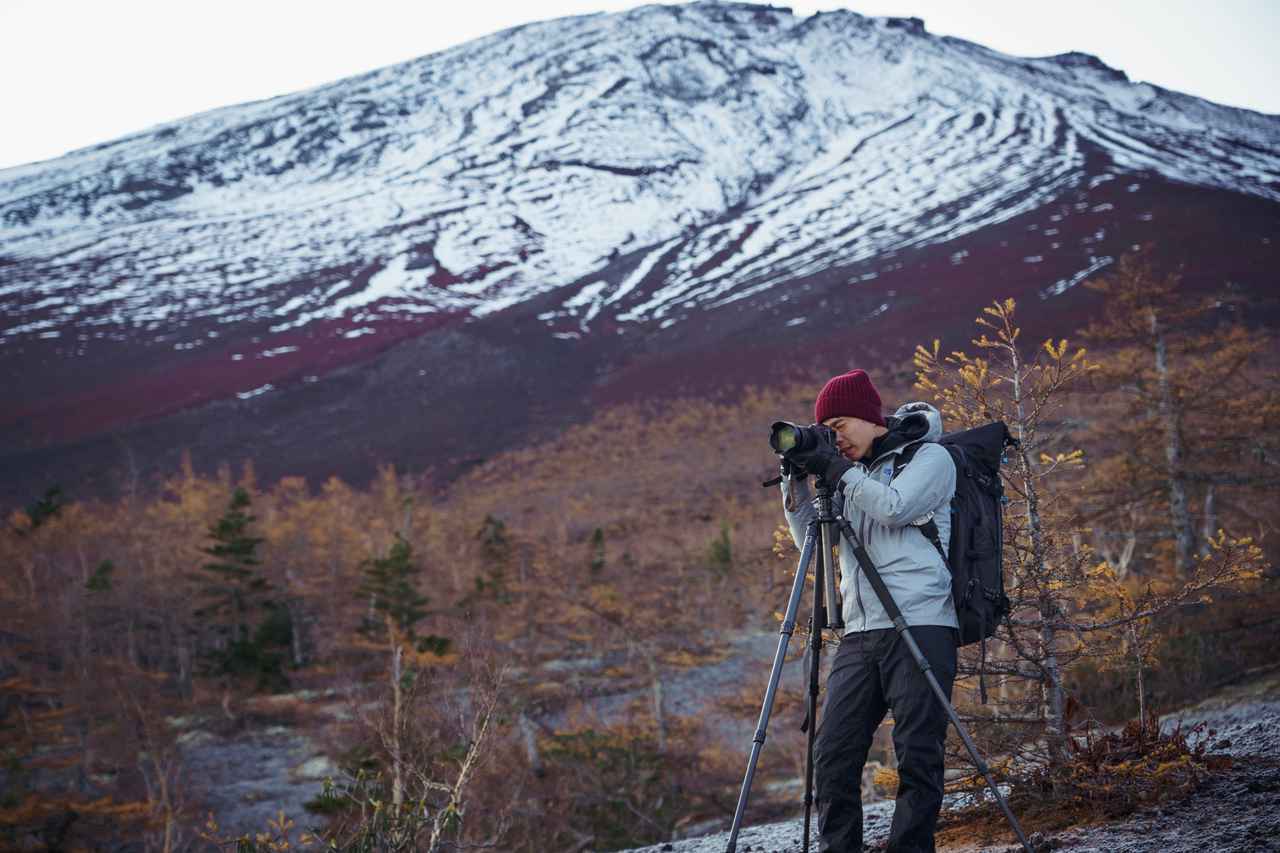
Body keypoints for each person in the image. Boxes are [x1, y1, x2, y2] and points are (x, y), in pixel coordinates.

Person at [781, 368, 958, 853]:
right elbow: (815, 543)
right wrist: (798, 481)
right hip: (860, 632)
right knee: (833, 756)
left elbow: (896, 507)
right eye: (826, 430)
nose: (834, 438)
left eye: (840, 425)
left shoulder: (930, 458)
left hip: (922, 622)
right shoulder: (845, 476)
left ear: (869, 417)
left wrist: (839, 472)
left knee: (918, 754)